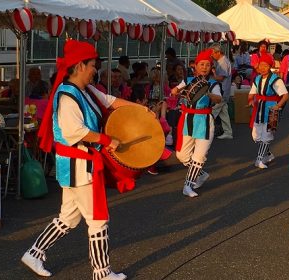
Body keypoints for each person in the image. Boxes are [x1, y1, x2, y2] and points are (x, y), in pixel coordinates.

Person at [23, 40, 146, 280]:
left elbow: (109, 100)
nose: (95, 69)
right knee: (98, 219)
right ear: (79, 66)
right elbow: (72, 131)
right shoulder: (68, 96)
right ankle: (101, 272)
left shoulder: (84, 89)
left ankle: (34, 253)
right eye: (92, 65)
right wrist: (106, 139)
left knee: (68, 217)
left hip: (79, 164)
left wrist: (140, 110)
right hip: (79, 165)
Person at [170, 49, 222, 198]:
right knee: (182, 155)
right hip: (188, 119)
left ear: (211, 67)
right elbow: (175, 90)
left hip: (205, 121)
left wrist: (207, 94)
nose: (204, 67)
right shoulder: (188, 81)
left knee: (199, 156)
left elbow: (219, 99)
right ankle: (202, 174)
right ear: (195, 66)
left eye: (207, 65)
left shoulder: (213, 84)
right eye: (202, 64)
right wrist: (175, 91)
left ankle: (188, 184)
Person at [248, 53, 289, 169]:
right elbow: (252, 93)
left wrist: (278, 106)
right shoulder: (257, 78)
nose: (262, 68)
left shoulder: (276, 80)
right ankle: (269, 154)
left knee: (267, 134)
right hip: (259, 108)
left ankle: (259, 159)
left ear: (270, 66)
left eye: (265, 65)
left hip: (272, 109)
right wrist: (250, 100)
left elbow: (285, 95)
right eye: (261, 65)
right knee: (255, 135)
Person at [211, 43, 234, 140]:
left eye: (213, 53)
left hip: (222, 90)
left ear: (218, 52)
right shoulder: (222, 60)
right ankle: (228, 132)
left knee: (212, 112)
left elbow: (220, 78)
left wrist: (213, 72)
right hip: (224, 90)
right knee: (223, 112)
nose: (212, 55)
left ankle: (206, 130)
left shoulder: (223, 62)